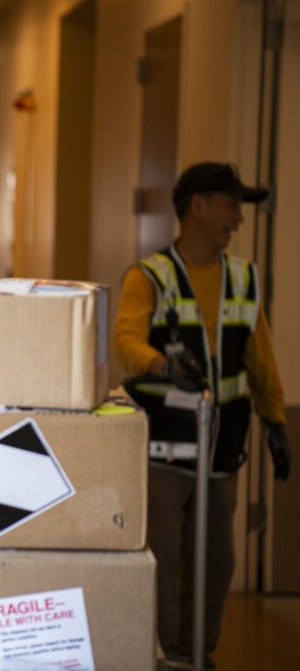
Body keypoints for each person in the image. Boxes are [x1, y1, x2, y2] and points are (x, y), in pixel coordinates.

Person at [115, 162, 290, 667]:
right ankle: (166, 656)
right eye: (231, 205)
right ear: (198, 206)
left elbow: (261, 357)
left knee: (216, 564)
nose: (238, 218)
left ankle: (198, 654)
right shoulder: (151, 276)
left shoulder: (242, 278)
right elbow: (126, 342)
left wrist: (275, 419)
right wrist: (162, 365)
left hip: (222, 451)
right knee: (163, 561)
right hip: (164, 451)